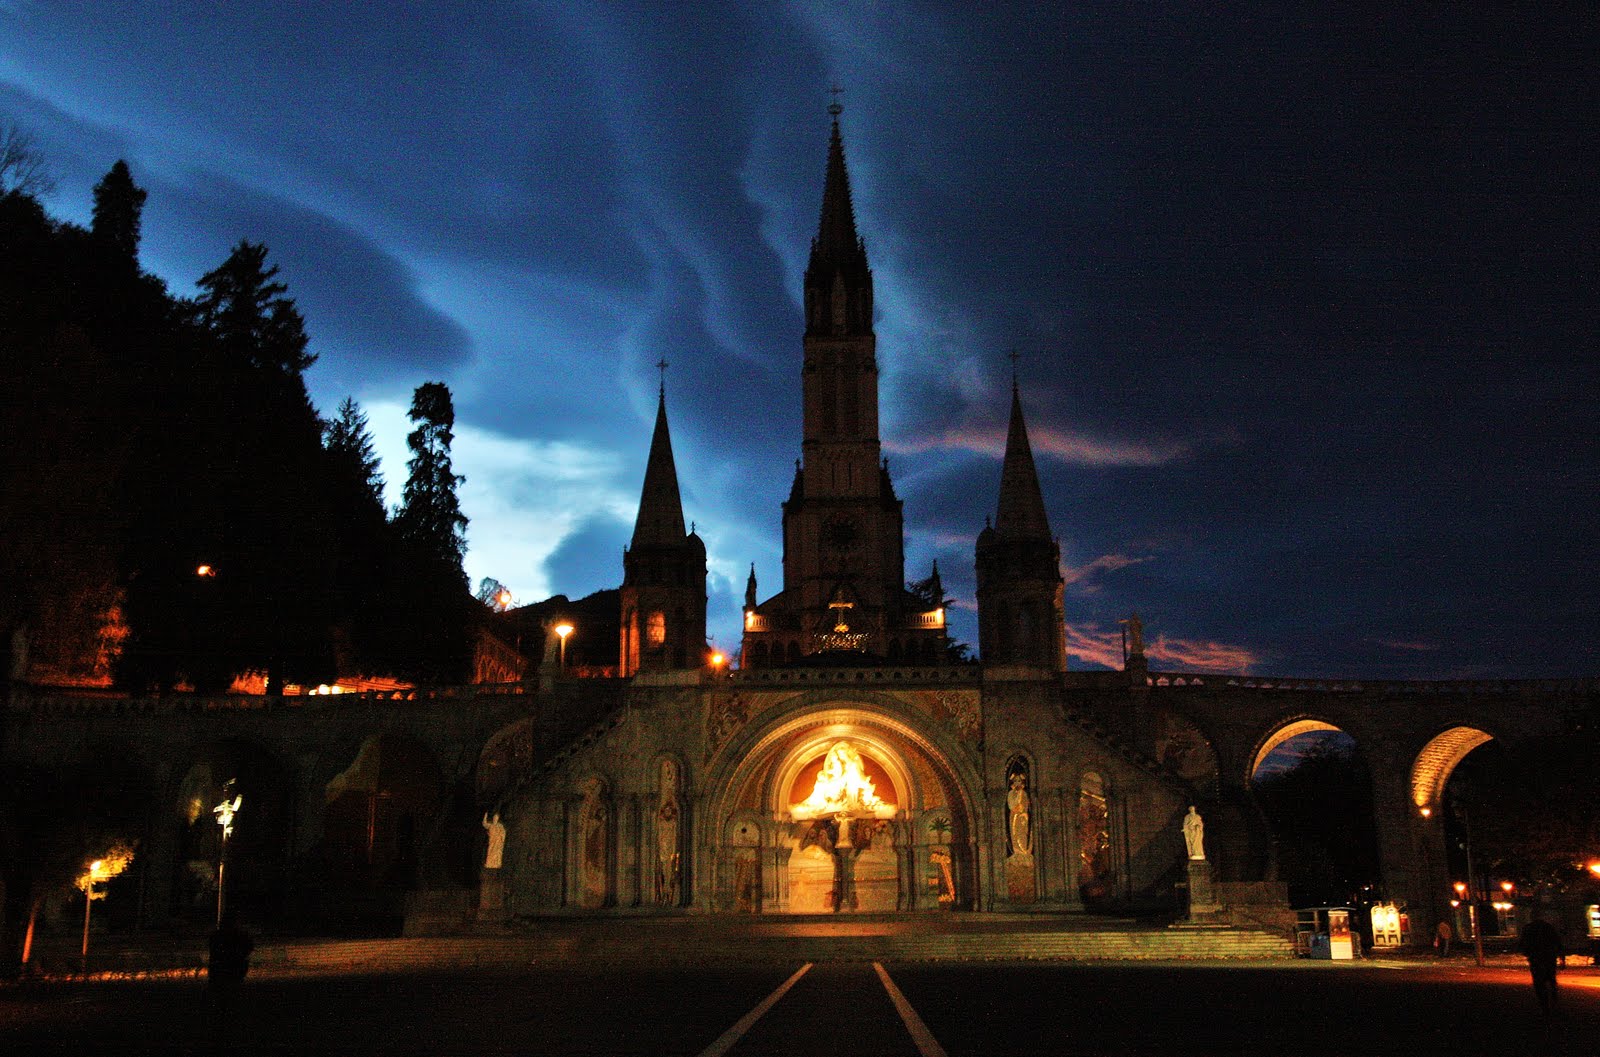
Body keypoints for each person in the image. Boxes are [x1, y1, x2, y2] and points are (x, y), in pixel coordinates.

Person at [207, 910, 254, 1011]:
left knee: (222, 993)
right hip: (233, 968)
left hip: (222, 969)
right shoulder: (240, 935)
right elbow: (249, 948)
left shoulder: (217, 935)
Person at [1519, 913, 1563, 1014]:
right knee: (1551, 978)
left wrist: (1527, 953)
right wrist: (1561, 957)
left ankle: (1544, 1004)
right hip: (1549, 957)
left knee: (1538, 982)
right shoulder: (1548, 928)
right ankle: (1553, 997)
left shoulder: (1528, 928)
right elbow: (1557, 941)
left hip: (1535, 957)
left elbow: (1522, 943)